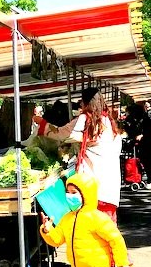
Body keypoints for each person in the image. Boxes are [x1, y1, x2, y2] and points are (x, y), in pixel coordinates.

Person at [35, 88, 122, 221]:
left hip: (93, 182)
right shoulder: (108, 121)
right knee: (107, 227)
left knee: (91, 226)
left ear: (86, 103)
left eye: (81, 102)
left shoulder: (85, 118)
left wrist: (42, 124)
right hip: (111, 181)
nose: (80, 105)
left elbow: (62, 133)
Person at [123, 103, 151, 189]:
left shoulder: (146, 120)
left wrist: (142, 135)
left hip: (148, 145)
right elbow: (131, 131)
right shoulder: (132, 120)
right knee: (142, 162)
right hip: (139, 145)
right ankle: (139, 178)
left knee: (149, 163)